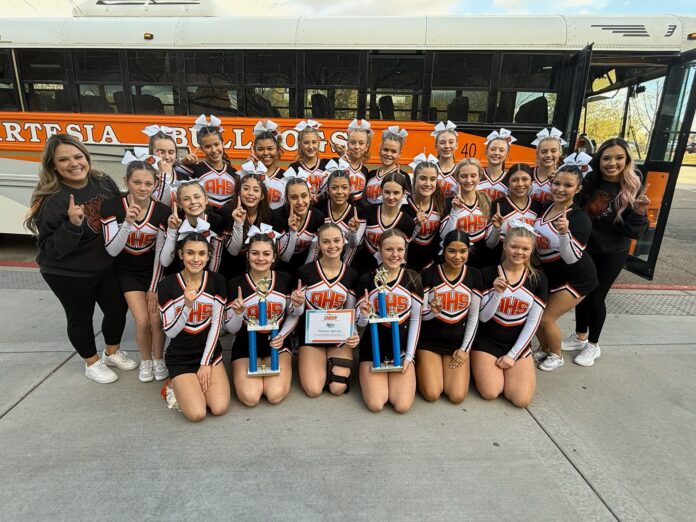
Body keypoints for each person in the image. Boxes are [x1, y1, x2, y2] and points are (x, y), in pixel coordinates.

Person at [25, 134, 136, 383]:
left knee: (117, 308)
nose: (74, 163)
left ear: (86, 157)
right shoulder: (51, 199)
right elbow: (52, 249)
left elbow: (118, 214)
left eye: (78, 156)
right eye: (64, 159)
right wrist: (73, 225)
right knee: (80, 318)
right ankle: (92, 363)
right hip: (67, 271)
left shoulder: (102, 181)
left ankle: (112, 352)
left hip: (104, 264)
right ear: (53, 166)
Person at [563, 138, 650, 366]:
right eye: (606, 158)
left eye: (619, 158)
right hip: (586, 248)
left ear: (627, 160)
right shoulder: (590, 181)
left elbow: (634, 232)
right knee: (582, 294)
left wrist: (638, 211)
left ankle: (593, 345)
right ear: (598, 160)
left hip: (612, 252)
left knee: (596, 297)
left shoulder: (634, 188)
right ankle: (580, 336)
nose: (612, 163)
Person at [101, 159, 172, 382]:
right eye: (137, 182)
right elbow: (112, 250)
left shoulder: (162, 211)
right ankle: (146, 360)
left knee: (156, 320)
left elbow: (160, 255)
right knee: (142, 320)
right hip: (126, 271)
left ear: (155, 184)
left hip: (153, 271)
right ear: (126, 181)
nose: (143, 188)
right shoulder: (112, 206)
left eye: (148, 183)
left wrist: (154, 287)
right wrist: (128, 223)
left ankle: (158, 358)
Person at [471, 224, 547, 407]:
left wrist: (513, 355)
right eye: (514, 247)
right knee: (490, 392)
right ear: (505, 245)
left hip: (517, 343)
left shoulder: (537, 279)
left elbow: (533, 322)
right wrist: (497, 294)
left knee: (521, 400)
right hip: (487, 341)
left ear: (531, 250)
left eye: (525, 248)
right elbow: (483, 317)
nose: (519, 252)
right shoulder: (488, 273)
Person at [225, 232, 304, 406]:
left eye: (266, 254)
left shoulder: (285, 279)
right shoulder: (235, 284)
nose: (260, 258)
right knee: (250, 397)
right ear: (247, 255)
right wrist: (237, 314)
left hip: (277, 344)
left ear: (274, 257)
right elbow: (231, 329)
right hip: (245, 345)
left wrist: (283, 333)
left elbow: (294, 314)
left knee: (274, 395)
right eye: (255, 253)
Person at [158, 232, 229, 422]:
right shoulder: (167, 285)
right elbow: (170, 331)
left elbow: (216, 325)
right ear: (181, 254)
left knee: (219, 407)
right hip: (180, 356)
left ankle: (193, 384)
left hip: (209, 354)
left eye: (201, 253)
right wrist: (187, 307)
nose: (196, 259)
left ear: (208, 256)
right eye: (190, 253)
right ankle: (174, 386)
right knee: (197, 414)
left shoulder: (217, 281)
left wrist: (205, 363)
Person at [533, 166, 598, 371]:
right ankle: (545, 348)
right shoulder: (546, 207)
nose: (560, 189)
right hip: (551, 275)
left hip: (576, 277)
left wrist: (564, 234)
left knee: (546, 319)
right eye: (557, 183)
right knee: (534, 315)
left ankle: (556, 355)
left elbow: (571, 259)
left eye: (568, 185)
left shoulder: (579, 218)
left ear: (578, 189)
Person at [356, 229, 423, 413]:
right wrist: (364, 314)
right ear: (380, 249)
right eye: (389, 249)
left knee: (402, 405)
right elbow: (360, 324)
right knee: (376, 404)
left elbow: (416, 319)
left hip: (401, 349)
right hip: (373, 348)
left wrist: (409, 356)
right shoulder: (367, 279)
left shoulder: (413, 278)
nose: (395, 254)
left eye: (400, 249)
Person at [417, 230, 482, 403]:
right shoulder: (429, 273)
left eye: (463, 251)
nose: (457, 256)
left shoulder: (475, 275)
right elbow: (419, 316)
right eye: (452, 251)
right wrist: (433, 311)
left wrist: (465, 349)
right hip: (429, 342)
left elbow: (474, 316)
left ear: (469, 251)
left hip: (456, 343)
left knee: (456, 396)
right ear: (444, 250)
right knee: (432, 394)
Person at [296, 224, 360, 397]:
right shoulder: (305, 272)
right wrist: (296, 305)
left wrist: (354, 333)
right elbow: (296, 312)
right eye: (326, 241)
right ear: (318, 245)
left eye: (336, 240)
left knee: (338, 388)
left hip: (339, 336)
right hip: (311, 336)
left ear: (344, 241)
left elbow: (350, 312)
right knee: (313, 390)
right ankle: (317, 364)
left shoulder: (352, 275)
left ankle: (328, 366)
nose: (332, 246)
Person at [349, 171, 415, 273]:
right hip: (362, 267)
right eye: (387, 192)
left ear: (404, 193)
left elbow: (402, 255)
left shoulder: (407, 222)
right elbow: (354, 244)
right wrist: (353, 232)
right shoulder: (367, 211)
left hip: (390, 271)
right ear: (381, 191)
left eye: (396, 193)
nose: (391, 197)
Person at [160, 180, 224, 273]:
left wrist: (209, 279)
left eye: (197, 197)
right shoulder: (174, 221)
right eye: (186, 199)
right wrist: (172, 230)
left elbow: (216, 258)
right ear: (179, 204)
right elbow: (165, 262)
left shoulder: (216, 221)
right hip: (177, 274)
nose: (193, 202)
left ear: (206, 199)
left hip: (206, 276)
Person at [485, 163, 543, 265]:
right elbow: (490, 244)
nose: (520, 184)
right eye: (514, 180)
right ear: (508, 182)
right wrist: (496, 228)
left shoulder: (537, 206)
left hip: (528, 263)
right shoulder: (497, 205)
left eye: (525, 179)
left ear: (531, 181)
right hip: (499, 261)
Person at [177, 114, 238, 210]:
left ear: (223, 144)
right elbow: (168, 170)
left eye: (216, 144)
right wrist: (181, 161)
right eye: (208, 146)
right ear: (202, 149)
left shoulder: (233, 172)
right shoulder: (194, 168)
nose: (213, 150)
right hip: (205, 217)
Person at [440, 158, 491, 268]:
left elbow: (490, 241)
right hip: (456, 260)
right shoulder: (447, 203)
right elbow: (445, 237)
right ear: (456, 177)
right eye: (463, 176)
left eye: (473, 176)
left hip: (483, 260)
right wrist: (455, 211)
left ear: (479, 177)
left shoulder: (486, 200)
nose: (468, 180)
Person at [272, 177, 325, 276]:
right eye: (294, 197)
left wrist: (305, 273)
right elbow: (283, 257)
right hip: (280, 268)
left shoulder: (318, 217)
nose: (300, 202)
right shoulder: (277, 216)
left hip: (305, 264)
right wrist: (292, 231)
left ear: (310, 196)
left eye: (304, 196)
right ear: (287, 199)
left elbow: (314, 251)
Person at [223, 173, 273, 277]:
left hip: (258, 269)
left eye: (256, 190)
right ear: (239, 192)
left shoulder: (269, 215)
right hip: (230, 269)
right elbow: (234, 251)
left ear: (262, 196)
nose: (250, 193)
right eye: (246, 189)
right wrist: (238, 223)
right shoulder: (226, 212)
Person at [312, 169, 364, 264]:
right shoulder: (318, 210)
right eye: (334, 188)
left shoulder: (358, 213)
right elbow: (313, 245)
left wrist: (353, 232)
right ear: (327, 190)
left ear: (350, 189)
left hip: (346, 264)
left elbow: (353, 245)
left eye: (344, 187)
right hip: (319, 262)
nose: (339, 192)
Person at [406, 161, 448, 271]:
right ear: (414, 179)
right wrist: (415, 224)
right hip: (406, 264)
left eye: (432, 179)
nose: (428, 183)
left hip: (433, 265)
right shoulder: (403, 205)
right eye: (423, 178)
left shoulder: (442, 205)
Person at [364, 126, 411, 205]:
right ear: (379, 150)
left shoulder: (403, 176)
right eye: (385, 150)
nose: (388, 154)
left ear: (399, 154)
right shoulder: (371, 174)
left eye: (393, 151)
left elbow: (405, 204)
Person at [249, 119, 287, 210]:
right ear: (254, 150)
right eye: (260, 149)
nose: (266, 153)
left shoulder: (286, 177)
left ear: (277, 150)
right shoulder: (248, 175)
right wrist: (248, 169)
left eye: (270, 149)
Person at [287, 120, 329, 198]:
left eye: (314, 142)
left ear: (319, 142)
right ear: (300, 144)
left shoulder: (328, 164)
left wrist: (342, 154)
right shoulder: (294, 167)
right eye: (306, 143)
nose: (310, 147)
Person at [143, 124, 179, 206]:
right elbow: (159, 207)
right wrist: (165, 175)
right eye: (161, 152)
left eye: (171, 152)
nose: (167, 156)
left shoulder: (183, 176)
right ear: (151, 153)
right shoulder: (144, 176)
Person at [531, 127, 566, 205]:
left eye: (553, 151)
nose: (548, 155)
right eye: (544, 152)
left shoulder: (565, 177)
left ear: (560, 152)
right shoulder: (527, 173)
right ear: (537, 153)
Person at [479, 128, 516, 201]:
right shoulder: (476, 176)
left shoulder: (510, 180)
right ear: (486, 152)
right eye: (493, 149)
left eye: (501, 150)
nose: (496, 153)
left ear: (507, 155)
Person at [340, 119, 372, 203]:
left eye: (361, 143)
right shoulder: (337, 163)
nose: (356, 147)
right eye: (353, 143)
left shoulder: (365, 171)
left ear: (366, 147)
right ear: (347, 144)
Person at [431, 121, 459, 198]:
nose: (447, 146)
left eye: (451, 142)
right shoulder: (429, 168)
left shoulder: (460, 172)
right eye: (442, 142)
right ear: (436, 146)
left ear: (456, 145)